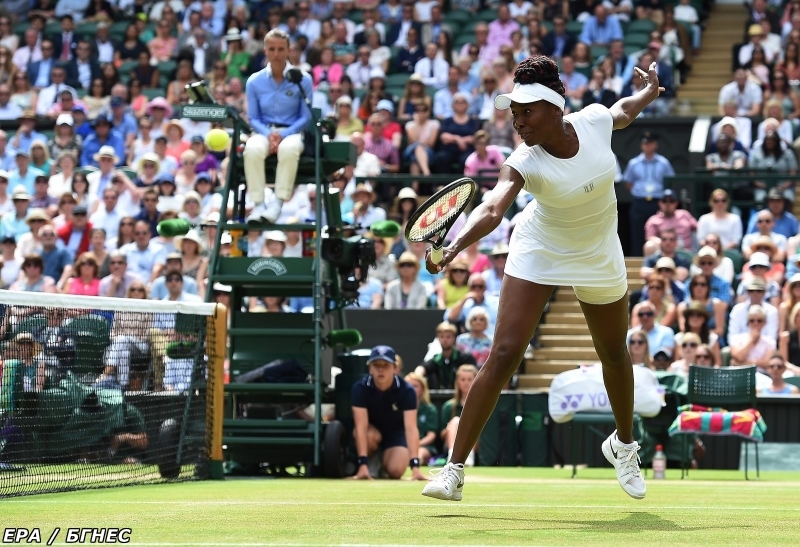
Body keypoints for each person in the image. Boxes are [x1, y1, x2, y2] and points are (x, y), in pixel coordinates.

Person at [421, 55, 664, 502]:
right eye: (514, 113)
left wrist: (648, 92)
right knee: (505, 352)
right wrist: (453, 248)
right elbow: (493, 207)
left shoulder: (592, 121)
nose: (518, 122)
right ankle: (453, 470)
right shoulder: (523, 161)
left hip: (597, 251)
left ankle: (624, 446)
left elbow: (623, 111)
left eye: (527, 111)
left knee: (614, 352)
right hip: (541, 246)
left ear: (555, 108)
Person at [244, 29, 311, 225]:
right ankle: (258, 205)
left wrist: (283, 135)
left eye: (281, 49)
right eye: (272, 49)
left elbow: (306, 116)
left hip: (293, 132)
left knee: (289, 149)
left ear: (289, 50)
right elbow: (253, 118)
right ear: (265, 50)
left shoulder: (303, 79)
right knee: (252, 149)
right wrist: (270, 134)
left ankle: (278, 203)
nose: (276, 54)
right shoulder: (254, 81)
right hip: (263, 132)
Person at [350, 345, 426, 480]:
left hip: (396, 433)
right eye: (376, 365)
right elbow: (361, 427)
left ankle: (384, 464)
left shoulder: (407, 391)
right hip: (372, 433)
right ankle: (370, 461)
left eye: (386, 365)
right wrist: (362, 464)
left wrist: (415, 467)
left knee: (396, 471)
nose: (381, 369)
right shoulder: (359, 388)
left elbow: (411, 428)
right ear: (370, 368)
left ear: (395, 368)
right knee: (367, 435)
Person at [623, 131, 676, 256]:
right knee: (637, 233)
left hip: (657, 202)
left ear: (656, 145)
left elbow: (670, 181)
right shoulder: (634, 163)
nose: (648, 146)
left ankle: (658, 258)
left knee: (658, 232)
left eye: (650, 143)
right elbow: (628, 183)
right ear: (641, 145)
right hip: (639, 201)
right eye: (645, 143)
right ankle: (637, 258)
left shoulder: (663, 162)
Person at [417, 322, 477, 389]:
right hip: (439, 394)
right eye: (441, 337)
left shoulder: (466, 358)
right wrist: (417, 376)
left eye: (448, 337)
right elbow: (421, 368)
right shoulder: (437, 359)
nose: (445, 340)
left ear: (454, 338)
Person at [440, 364, 478, 466]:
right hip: (453, 441)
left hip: (476, 443)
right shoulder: (449, 406)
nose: (466, 383)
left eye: (470, 379)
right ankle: (452, 457)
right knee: (456, 421)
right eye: (463, 379)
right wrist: (451, 427)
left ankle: (469, 457)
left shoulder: (481, 405)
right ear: (458, 382)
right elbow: (442, 434)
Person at [404, 372, 439, 464]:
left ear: (422, 389)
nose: (411, 389)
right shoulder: (398, 408)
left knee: (419, 454)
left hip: (424, 446)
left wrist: (416, 444)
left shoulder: (430, 409)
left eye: (415, 386)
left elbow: (431, 435)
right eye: (408, 385)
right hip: (403, 445)